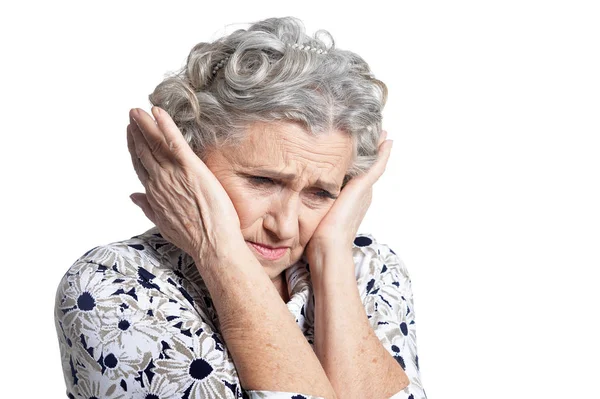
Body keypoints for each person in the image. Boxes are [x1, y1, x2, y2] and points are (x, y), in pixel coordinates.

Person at [54, 17, 427, 399]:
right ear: (190, 161)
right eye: (262, 181)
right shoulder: (111, 284)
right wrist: (218, 248)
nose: (284, 227)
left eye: (319, 194)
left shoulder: (371, 267)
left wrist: (332, 260)